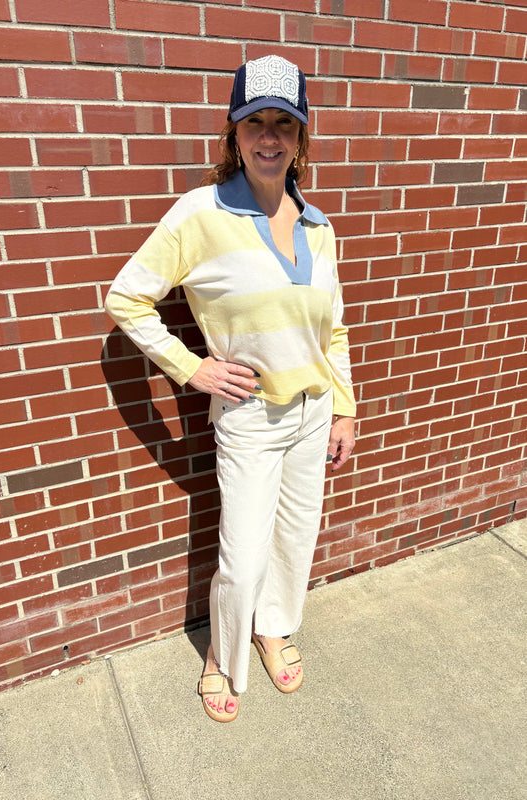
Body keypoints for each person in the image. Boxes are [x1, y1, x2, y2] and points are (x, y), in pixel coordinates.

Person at [105, 54, 356, 723]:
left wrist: (344, 410)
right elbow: (127, 299)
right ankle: (222, 655)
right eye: (255, 124)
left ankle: (271, 628)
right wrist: (192, 369)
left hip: (311, 413)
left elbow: (332, 330)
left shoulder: (316, 225)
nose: (269, 137)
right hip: (247, 417)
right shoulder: (200, 214)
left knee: (293, 539)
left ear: (302, 138)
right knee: (242, 555)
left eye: (284, 124)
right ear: (233, 135)